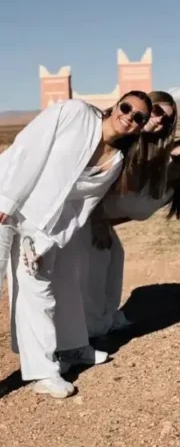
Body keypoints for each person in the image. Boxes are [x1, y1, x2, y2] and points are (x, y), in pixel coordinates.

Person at [0, 93, 152, 398]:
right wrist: (7, 199)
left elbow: (79, 210)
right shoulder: (75, 113)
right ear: (115, 107)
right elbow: (29, 149)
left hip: (41, 227)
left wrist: (46, 242)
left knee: (40, 294)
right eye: (127, 108)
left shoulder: (115, 163)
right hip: (6, 201)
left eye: (139, 117)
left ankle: (43, 372)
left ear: (140, 127)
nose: (130, 117)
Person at [53, 91, 180, 365]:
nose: (159, 121)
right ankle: (76, 337)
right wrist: (98, 221)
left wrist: (105, 222)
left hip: (92, 213)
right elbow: (94, 180)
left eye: (166, 120)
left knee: (114, 255)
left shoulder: (144, 147)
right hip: (72, 207)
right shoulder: (121, 137)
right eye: (157, 112)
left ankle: (103, 320)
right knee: (92, 262)